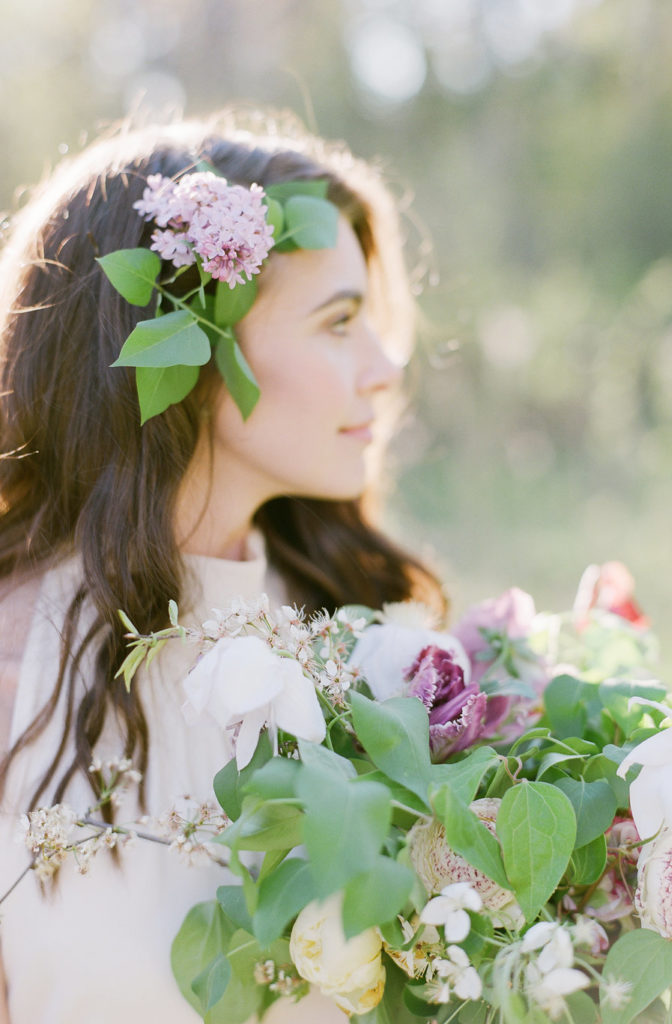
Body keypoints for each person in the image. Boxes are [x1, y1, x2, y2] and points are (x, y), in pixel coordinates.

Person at [0, 111, 445, 1023]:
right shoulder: (16, 674)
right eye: (339, 321)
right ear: (194, 354)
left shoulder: (366, 643)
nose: (385, 366)